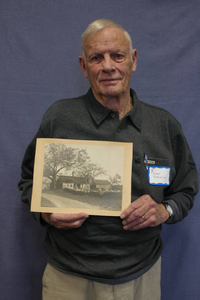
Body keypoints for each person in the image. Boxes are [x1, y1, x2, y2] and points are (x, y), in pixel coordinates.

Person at [18, 19, 198, 300]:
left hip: (143, 274)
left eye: (117, 55)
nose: (108, 66)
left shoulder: (163, 124)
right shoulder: (59, 118)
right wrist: (45, 212)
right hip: (68, 276)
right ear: (83, 66)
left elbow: (185, 190)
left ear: (133, 60)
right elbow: (28, 180)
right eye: (96, 58)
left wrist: (165, 211)